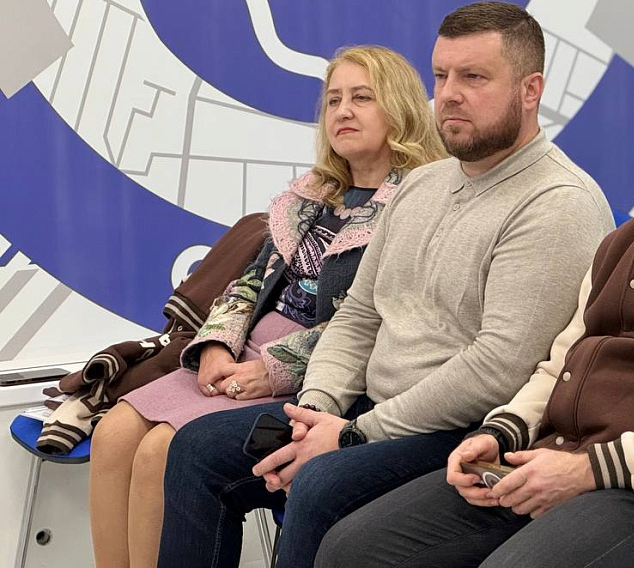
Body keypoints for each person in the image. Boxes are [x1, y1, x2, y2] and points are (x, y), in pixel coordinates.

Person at [316, 35, 634, 568]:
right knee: (352, 548)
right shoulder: (624, 240)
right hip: (556, 461)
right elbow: (559, 364)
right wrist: (501, 431)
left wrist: (588, 470)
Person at [156, 1, 614, 568]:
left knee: (321, 480)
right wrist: (315, 410)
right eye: (442, 75)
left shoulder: (557, 203)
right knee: (197, 449)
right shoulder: (420, 185)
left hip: (465, 430)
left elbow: (498, 368)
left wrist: (351, 435)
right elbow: (359, 316)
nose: (450, 95)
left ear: (530, 90)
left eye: (474, 77)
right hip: (365, 409)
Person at [87, 44, 444, 568]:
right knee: (114, 431)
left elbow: (373, 326)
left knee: (161, 450)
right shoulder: (310, 195)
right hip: (241, 354)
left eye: (362, 98)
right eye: (333, 100)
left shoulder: (420, 203)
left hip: (319, 373)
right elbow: (248, 284)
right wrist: (215, 345)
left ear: (401, 108)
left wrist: (274, 370)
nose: (343, 111)